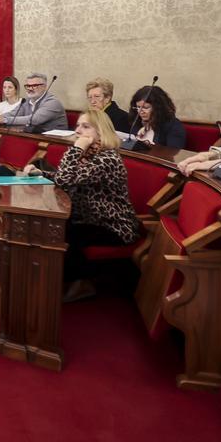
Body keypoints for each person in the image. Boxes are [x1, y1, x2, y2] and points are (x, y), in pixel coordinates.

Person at [38, 109, 141, 302]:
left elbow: (64, 178)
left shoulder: (107, 159)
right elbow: (70, 179)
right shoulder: (89, 155)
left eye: (86, 126)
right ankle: (57, 279)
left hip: (113, 226)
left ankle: (80, 284)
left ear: (101, 131)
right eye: (77, 125)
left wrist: (77, 147)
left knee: (66, 232)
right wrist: (40, 173)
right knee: (59, 226)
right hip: (90, 218)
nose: (78, 130)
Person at [0, 73, 67, 133]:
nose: (30, 88)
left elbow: (34, 120)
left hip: (55, 142)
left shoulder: (52, 102)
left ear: (44, 87)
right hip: (35, 138)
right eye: (28, 86)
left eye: (34, 85)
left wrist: (4, 120)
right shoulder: (27, 101)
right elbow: (13, 113)